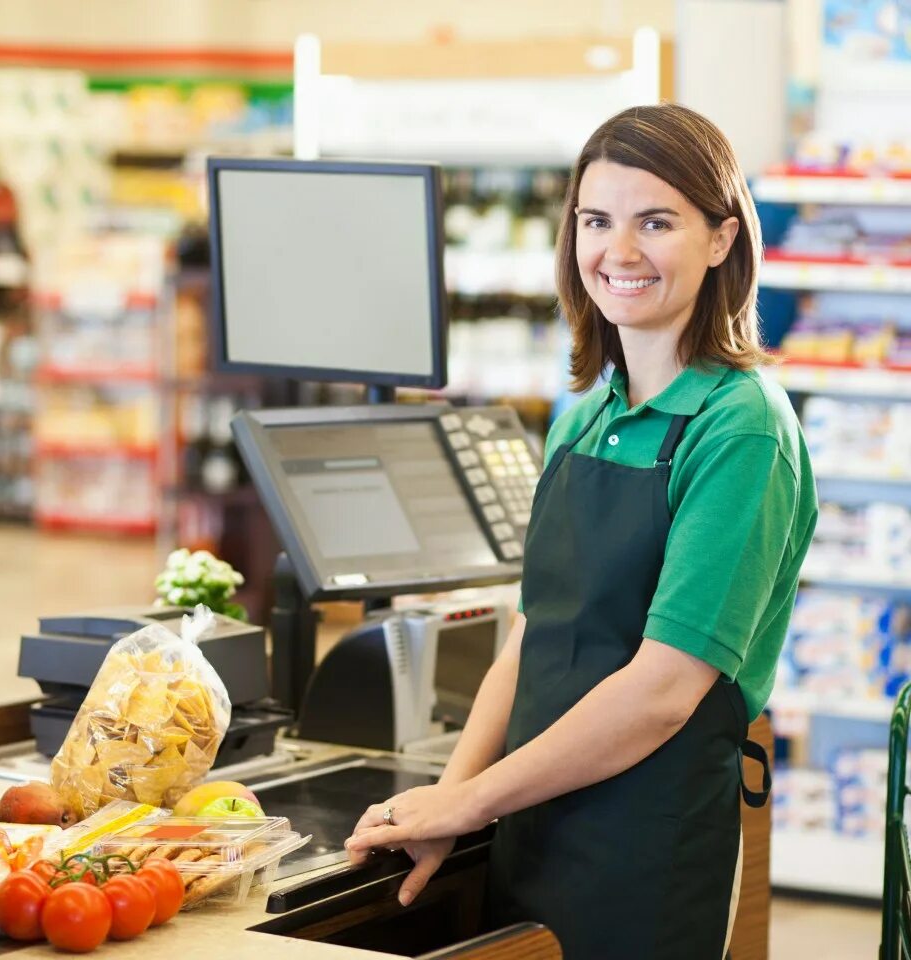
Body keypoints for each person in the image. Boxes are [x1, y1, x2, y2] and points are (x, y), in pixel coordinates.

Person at [346, 103, 818, 960]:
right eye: (596, 221)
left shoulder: (741, 428)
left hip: (648, 846)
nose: (619, 252)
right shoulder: (583, 415)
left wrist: (471, 800)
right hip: (530, 821)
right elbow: (529, 640)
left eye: (656, 222)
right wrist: (449, 801)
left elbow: (664, 691)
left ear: (721, 239)